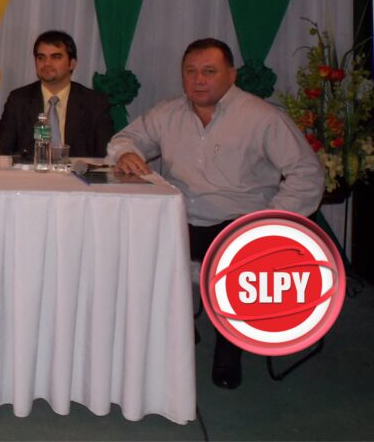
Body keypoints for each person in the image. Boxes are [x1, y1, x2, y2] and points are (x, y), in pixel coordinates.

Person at [108, 37, 323, 391]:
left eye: (209, 71)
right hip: (181, 218)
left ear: (231, 75)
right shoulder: (168, 113)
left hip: (239, 223)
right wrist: (126, 153)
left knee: (238, 259)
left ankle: (230, 347)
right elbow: (123, 138)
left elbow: (307, 173)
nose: (198, 80)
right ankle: (176, 323)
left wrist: (271, 220)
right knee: (128, 243)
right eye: (190, 71)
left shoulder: (263, 118)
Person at [0, 30, 113, 157]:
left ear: (72, 64)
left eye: (55, 57)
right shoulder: (19, 99)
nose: (47, 63)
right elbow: (1, 151)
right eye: (41, 57)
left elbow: (105, 155)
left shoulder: (94, 102)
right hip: (31, 174)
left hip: (76, 174)